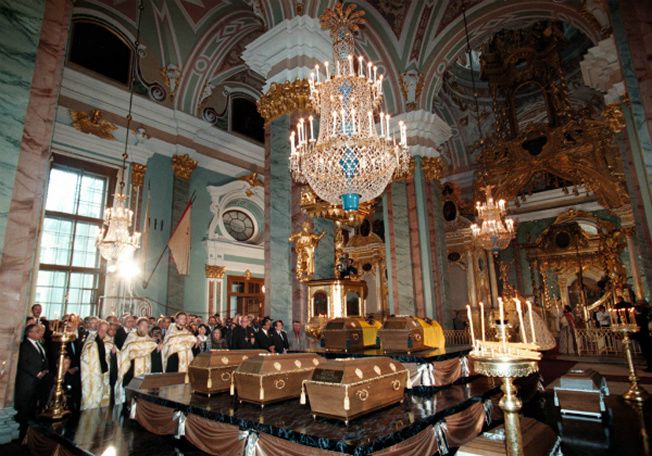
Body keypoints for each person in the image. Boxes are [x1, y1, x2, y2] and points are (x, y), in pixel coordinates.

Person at [14, 324, 49, 435]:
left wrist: (45, 370)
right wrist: (36, 373)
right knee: (24, 405)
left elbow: (43, 358)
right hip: (27, 381)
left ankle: (30, 430)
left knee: (33, 405)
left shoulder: (39, 344)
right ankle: (20, 431)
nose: (40, 333)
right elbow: (23, 363)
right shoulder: (25, 345)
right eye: (37, 331)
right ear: (29, 333)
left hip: (38, 381)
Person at [117, 317, 159, 402]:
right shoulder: (131, 336)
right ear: (138, 326)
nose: (145, 328)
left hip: (146, 371)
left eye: (147, 326)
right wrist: (153, 345)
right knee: (131, 397)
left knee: (143, 396)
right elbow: (132, 349)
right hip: (132, 370)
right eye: (142, 325)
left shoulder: (149, 339)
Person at [80, 320, 112, 410]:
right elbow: (85, 355)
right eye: (101, 330)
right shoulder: (91, 339)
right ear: (98, 328)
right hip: (92, 374)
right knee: (92, 397)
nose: (103, 332)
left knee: (102, 396)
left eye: (105, 331)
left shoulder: (107, 340)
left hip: (104, 372)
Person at [633, 299, 652, 372]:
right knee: (646, 351)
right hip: (644, 335)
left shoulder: (644, 314)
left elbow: (641, 324)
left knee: (648, 351)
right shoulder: (646, 312)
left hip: (645, 335)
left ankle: (650, 366)